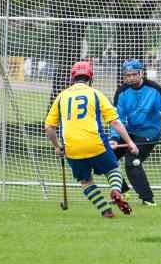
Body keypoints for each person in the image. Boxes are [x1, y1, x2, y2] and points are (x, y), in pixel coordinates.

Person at [44, 60, 139, 218]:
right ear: (90, 77)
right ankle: (115, 190)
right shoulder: (96, 94)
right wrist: (129, 142)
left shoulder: (61, 96)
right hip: (96, 143)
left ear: (72, 78)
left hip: (72, 147)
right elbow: (114, 121)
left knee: (86, 181)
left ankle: (105, 211)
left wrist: (57, 146)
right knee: (112, 169)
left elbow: (49, 127)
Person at [110, 59, 161, 206]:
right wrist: (115, 138)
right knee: (106, 158)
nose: (130, 78)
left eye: (134, 74)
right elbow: (117, 117)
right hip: (129, 132)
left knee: (132, 161)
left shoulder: (154, 89)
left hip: (149, 133)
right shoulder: (122, 92)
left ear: (141, 73)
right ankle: (122, 192)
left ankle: (147, 198)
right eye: (127, 75)